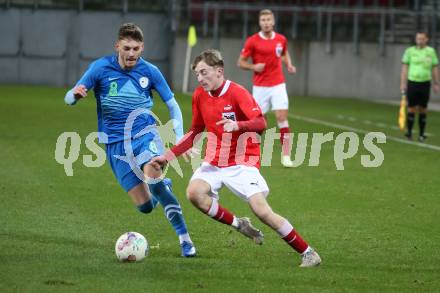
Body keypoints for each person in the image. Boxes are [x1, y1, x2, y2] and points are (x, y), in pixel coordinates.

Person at [152, 49, 321, 267]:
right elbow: (195, 131)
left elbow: (260, 123)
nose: (200, 79)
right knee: (194, 193)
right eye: (197, 75)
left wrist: (238, 125)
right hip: (215, 160)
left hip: (243, 161)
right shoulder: (199, 95)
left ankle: (308, 253)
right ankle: (239, 224)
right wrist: (168, 156)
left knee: (261, 210)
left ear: (219, 71)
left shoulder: (237, 93)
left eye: (204, 73)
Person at [63, 23, 196, 257]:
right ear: (118, 46)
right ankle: (161, 188)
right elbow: (68, 97)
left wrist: (179, 138)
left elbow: (173, 105)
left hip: (145, 135)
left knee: (153, 175)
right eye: (127, 48)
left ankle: (185, 240)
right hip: (114, 145)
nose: (132, 53)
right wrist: (74, 96)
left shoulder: (150, 72)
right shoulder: (100, 68)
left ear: (142, 47)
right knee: (145, 207)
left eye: (136, 48)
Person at [237, 9, 296, 167]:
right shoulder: (252, 41)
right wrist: (253, 66)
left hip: (278, 84)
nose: (266, 22)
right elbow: (240, 62)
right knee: (258, 122)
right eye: (263, 20)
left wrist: (289, 65)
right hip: (260, 87)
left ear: (273, 21)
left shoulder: (281, 39)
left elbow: (283, 53)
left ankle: (286, 156)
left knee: (281, 118)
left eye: (269, 19)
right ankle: (251, 152)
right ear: (259, 22)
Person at [400, 31, 439, 141]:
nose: (420, 41)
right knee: (411, 108)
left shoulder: (431, 51)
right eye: (418, 39)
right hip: (412, 82)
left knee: (423, 108)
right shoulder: (409, 51)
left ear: (426, 39)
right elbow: (404, 68)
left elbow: (435, 67)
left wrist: (436, 83)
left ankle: (422, 134)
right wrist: (403, 83)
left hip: (425, 83)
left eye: (422, 39)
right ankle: (409, 132)